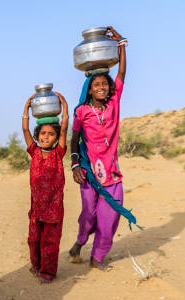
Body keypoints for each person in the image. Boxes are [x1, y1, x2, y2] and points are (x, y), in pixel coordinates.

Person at [68, 26, 139, 271]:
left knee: (108, 220)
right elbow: (74, 138)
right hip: (88, 174)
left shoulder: (114, 104)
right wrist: (75, 164)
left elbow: (121, 73)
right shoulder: (81, 112)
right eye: (97, 84)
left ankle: (97, 258)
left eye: (104, 84)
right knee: (88, 216)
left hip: (112, 175)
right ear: (89, 89)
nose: (102, 87)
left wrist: (122, 45)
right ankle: (80, 241)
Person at [21, 92, 69, 283]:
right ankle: (36, 265)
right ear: (37, 135)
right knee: (34, 240)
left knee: (50, 242)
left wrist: (64, 106)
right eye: (42, 133)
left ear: (56, 137)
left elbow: (65, 129)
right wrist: (26, 110)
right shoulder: (34, 151)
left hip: (54, 208)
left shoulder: (59, 153)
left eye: (51, 134)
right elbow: (25, 131)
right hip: (37, 208)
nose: (46, 137)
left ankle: (48, 273)